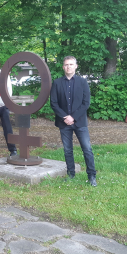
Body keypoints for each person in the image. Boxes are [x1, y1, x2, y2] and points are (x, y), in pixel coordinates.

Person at [50, 56, 97, 187]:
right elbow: (53, 103)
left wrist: (73, 117)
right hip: (63, 123)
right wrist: (65, 117)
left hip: (80, 122)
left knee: (87, 149)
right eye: (66, 64)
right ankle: (71, 173)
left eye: (71, 64)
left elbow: (86, 103)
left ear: (76, 66)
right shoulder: (57, 83)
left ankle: (92, 175)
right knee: (67, 150)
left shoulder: (83, 82)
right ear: (63, 67)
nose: (68, 66)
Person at [0, 57, 17, 156]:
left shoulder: (4, 75)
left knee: (7, 128)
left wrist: (7, 103)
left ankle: (13, 150)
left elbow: (9, 89)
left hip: (3, 106)